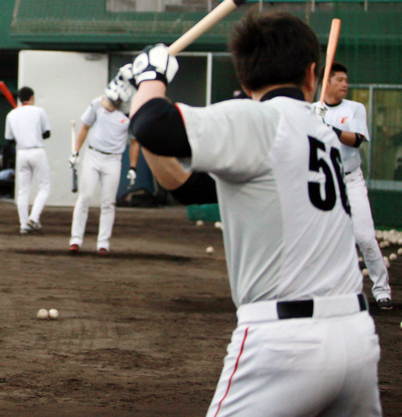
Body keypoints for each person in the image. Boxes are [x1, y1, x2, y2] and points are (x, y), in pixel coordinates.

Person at [127, 10, 382, 416]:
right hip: (355, 337)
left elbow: (155, 124)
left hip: (284, 343)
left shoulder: (260, 118)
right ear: (312, 75)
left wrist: (148, 78)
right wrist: (137, 114)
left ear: (244, 80)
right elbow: (191, 186)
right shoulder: (323, 132)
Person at [314, 62, 393, 309]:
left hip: (351, 179)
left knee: (366, 238)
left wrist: (329, 127)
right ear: (326, 82)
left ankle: (382, 291)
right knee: (322, 240)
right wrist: (311, 121)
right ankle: (326, 292)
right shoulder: (312, 109)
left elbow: (356, 140)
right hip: (324, 181)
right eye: (339, 80)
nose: (345, 84)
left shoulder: (354, 109)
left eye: (346, 80)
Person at [69, 66, 140, 255]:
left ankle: (103, 243)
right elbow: (84, 128)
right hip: (93, 155)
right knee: (84, 197)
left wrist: (133, 167)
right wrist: (76, 151)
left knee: (108, 202)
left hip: (113, 160)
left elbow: (134, 143)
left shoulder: (129, 114)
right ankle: (75, 239)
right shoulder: (96, 104)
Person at [5, 86, 51, 234]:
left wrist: (22, 134)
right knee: (44, 186)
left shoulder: (11, 114)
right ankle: (33, 218)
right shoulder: (39, 111)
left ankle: (24, 225)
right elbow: (47, 134)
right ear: (31, 97)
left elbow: (9, 140)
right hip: (37, 151)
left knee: (23, 190)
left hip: (21, 153)